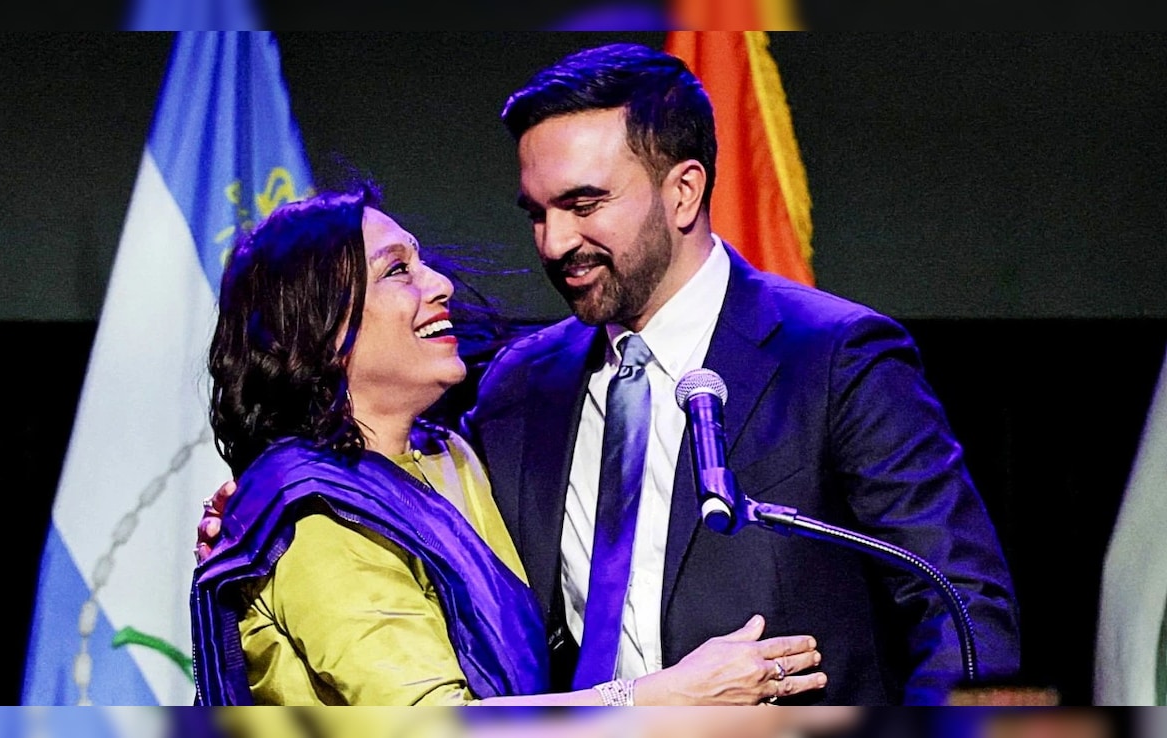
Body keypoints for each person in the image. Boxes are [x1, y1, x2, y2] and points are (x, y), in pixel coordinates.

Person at [198, 42, 1021, 705]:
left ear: (684, 191)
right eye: (537, 213)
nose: (554, 244)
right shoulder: (521, 384)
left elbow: (958, 607)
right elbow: (395, 526)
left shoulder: (835, 358)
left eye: (584, 205)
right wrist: (262, 512)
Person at [190, 180, 826, 706]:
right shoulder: (312, 514)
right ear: (325, 329)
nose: (439, 284)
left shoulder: (448, 455)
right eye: (398, 271)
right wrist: (662, 697)